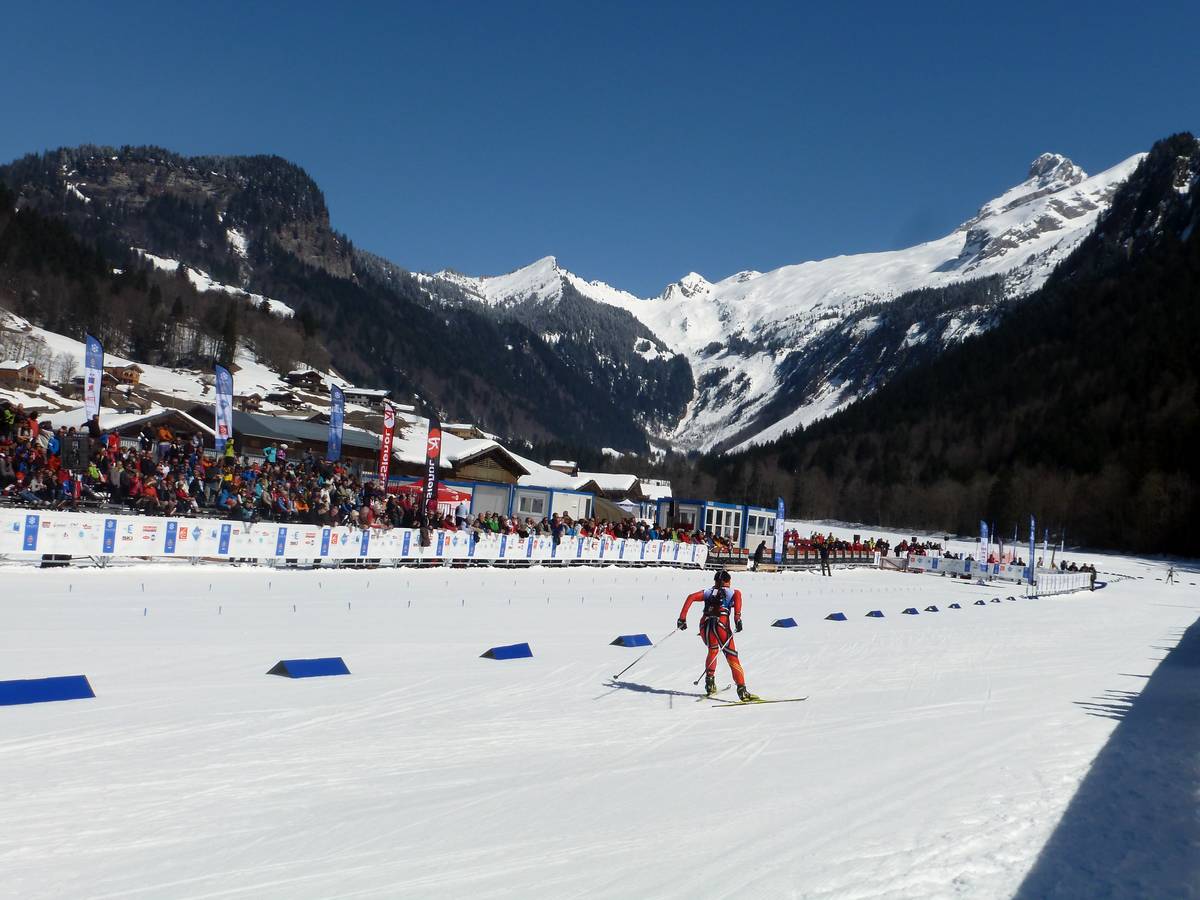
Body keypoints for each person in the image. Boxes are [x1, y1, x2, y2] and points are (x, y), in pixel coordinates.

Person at [676, 569, 758, 701]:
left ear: (715, 581)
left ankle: (710, 684)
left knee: (712, 650)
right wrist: (737, 619)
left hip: (705, 626)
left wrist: (682, 619)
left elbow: (691, 597)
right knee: (731, 656)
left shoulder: (709, 591)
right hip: (721, 625)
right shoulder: (734, 592)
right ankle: (742, 690)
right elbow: (737, 604)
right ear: (728, 581)